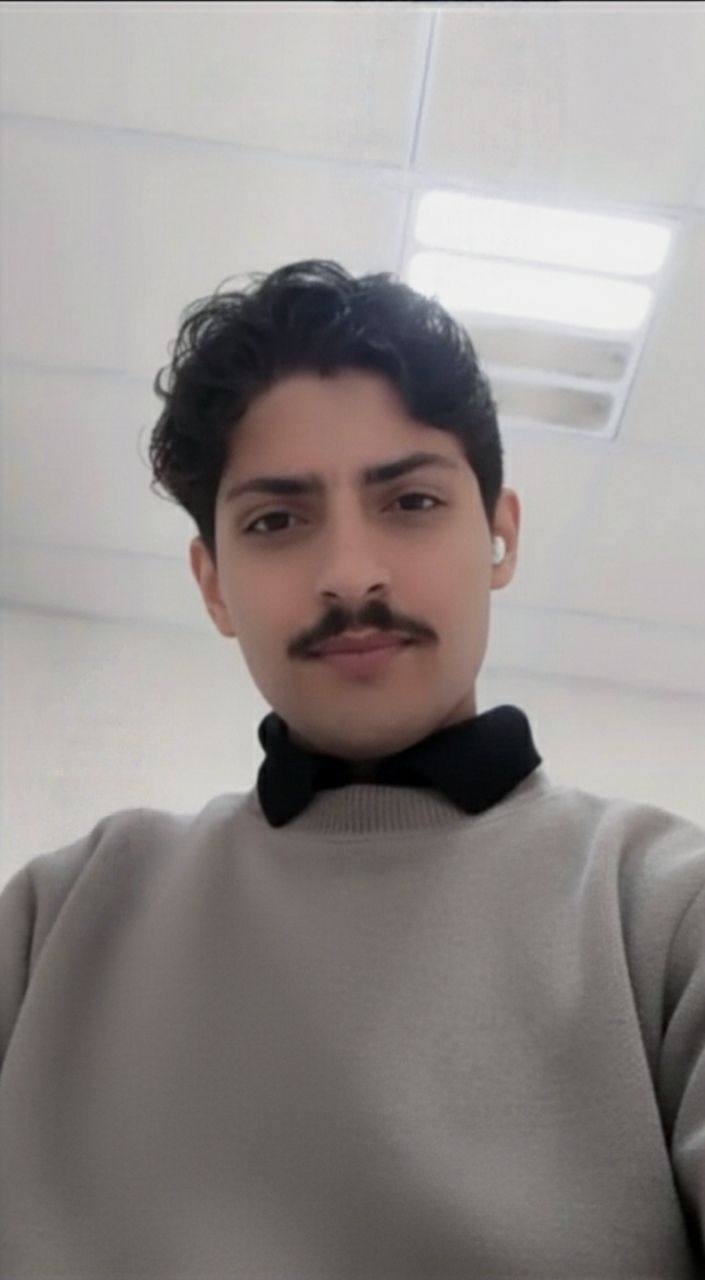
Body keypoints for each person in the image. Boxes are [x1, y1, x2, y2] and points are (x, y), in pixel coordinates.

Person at [1, 259, 703, 1277]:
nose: (350, 573)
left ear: (499, 535)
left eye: (410, 500)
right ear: (214, 585)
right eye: (276, 521)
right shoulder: (58, 916)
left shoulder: (665, 909)